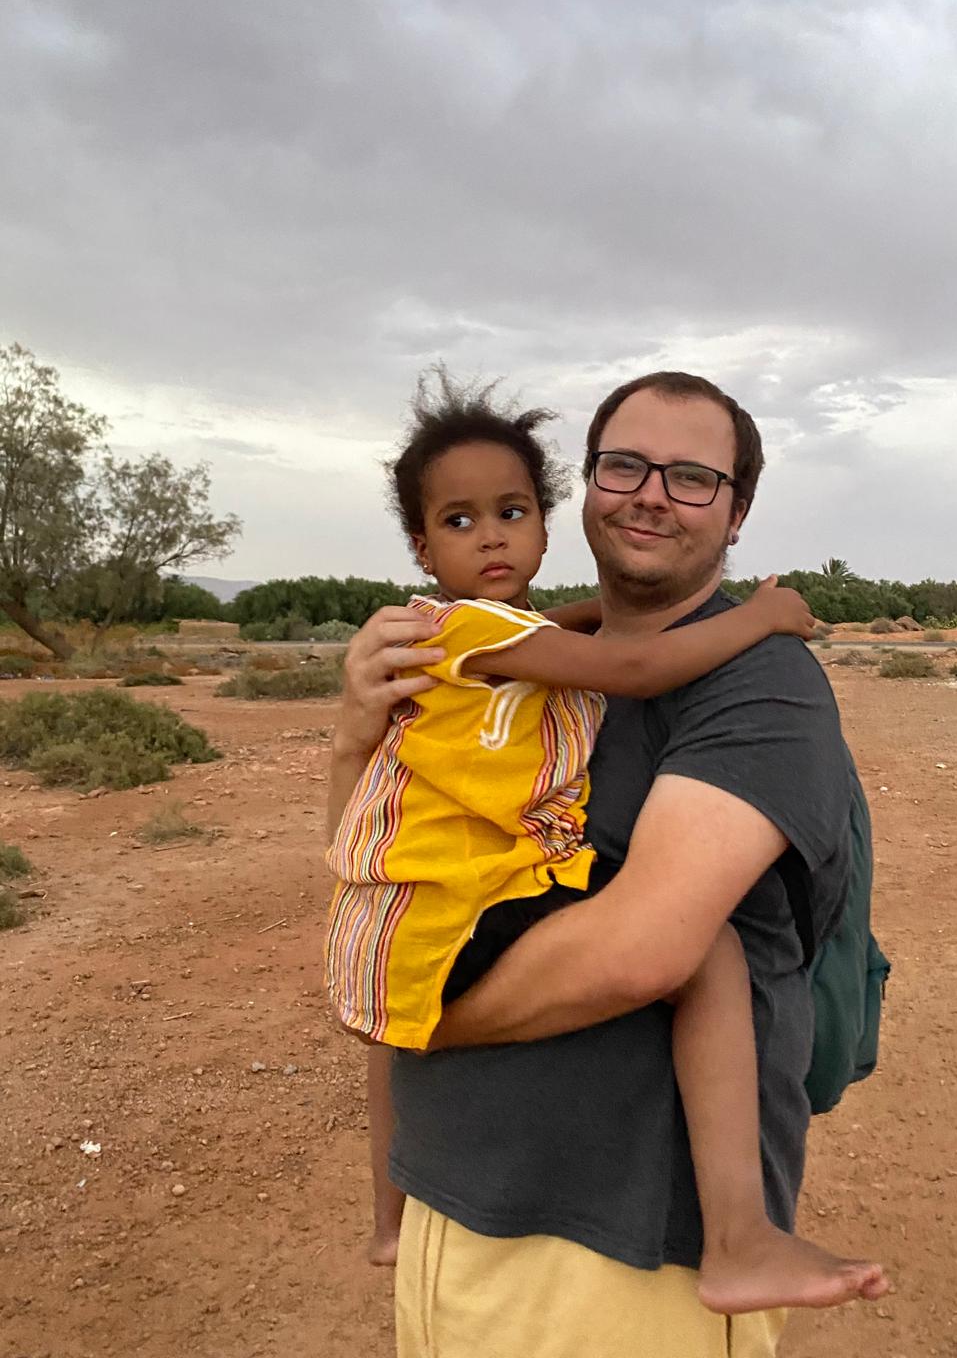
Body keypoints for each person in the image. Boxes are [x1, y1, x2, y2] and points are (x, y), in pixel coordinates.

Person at [328, 371, 886, 1357]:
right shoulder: (526, 666)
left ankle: (740, 1234)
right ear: (587, 487)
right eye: (625, 464)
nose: (651, 492)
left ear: (738, 511)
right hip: (453, 1215)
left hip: (618, 1258)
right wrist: (347, 740)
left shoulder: (759, 684)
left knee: (698, 949)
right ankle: (386, 1211)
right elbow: (365, 849)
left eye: (693, 476)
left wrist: (399, 1005)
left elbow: (641, 950)